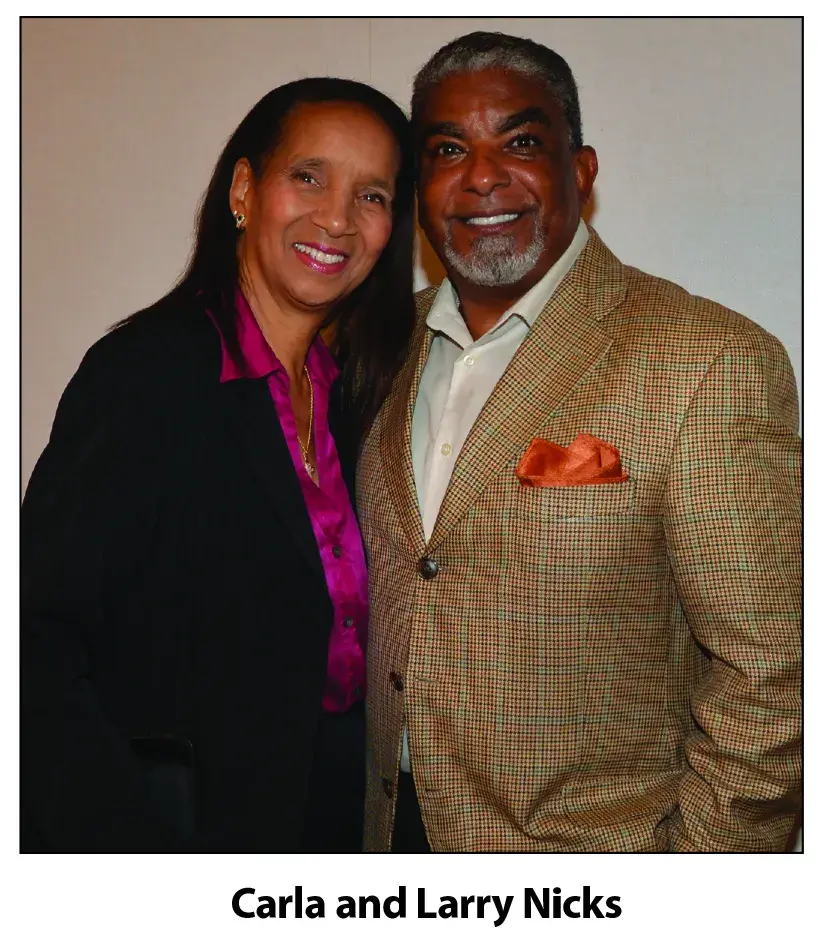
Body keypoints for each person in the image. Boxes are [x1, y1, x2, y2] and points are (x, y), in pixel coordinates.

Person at [357, 32, 802, 852]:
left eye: (520, 143)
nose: (482, 176)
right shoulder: (378, 348)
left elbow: (775, 676)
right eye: (449, 150)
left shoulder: (708, 360)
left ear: (583, 170)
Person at [21, 77, 416, 852]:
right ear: (243, 189)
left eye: (371, 196)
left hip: (327, 836)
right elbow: (35, 634)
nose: (337, 217)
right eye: (309, 176)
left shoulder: (356, 396)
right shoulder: (149, 374)